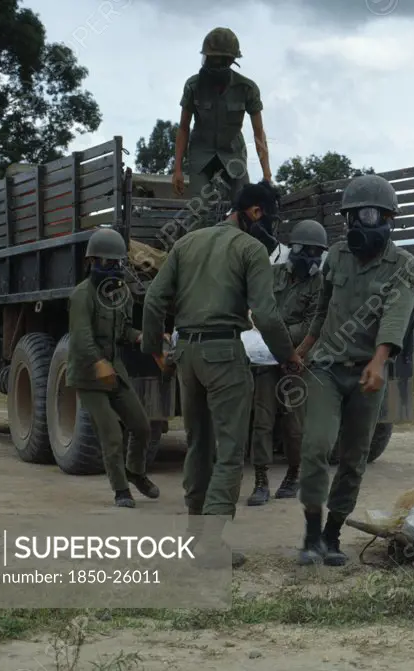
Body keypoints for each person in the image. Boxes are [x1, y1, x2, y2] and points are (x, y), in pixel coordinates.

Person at [141, 180, 300, 568]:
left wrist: (155, 351)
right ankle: (210, 544)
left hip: (187, 353)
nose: (272, 228)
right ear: (256, 212)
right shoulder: (250, 249)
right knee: (230, 451)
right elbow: (264, 314)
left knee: (198, 445)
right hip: (224, 352)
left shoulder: (186, 243)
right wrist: (288, 356)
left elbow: (153, 300)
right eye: (271, 218)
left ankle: (195, 539)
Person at [291, 175, 414, 566]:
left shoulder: (405, 265)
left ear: (387, 219)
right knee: (315, 447)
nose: (359, 225)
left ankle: (333, 535)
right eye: (353, 218)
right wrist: (304, 348)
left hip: (367, 372)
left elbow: (396, 317)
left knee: (354, 457)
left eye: (367, 215)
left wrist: (379, 362)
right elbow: (322, 308)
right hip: (326, 369)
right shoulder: (335, 257)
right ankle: (311, 534)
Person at [68, 227, 161, 508]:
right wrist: (98, 363)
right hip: (88, 376)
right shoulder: (81, 295)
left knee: (142, 426)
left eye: (115, 262)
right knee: (110, 434)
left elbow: (124, 331)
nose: (110, 267)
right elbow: (81, 338)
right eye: (104, 262)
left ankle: (135, 472)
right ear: (91, 262)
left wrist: (140, 336)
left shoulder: (121, 295)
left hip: (114, 372)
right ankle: (121, 490)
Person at [246, 219, 328, 506]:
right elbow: (256, 311)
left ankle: (294, 475)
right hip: (266, 357)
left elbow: (310, 325)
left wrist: (279, 338)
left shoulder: (320, 284)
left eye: (317, 254)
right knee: (262, 420)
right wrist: (274, 335)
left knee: (294, 426)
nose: (312, 259)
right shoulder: (273, 274)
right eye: (307, 251)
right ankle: (260, 481)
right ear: (294, 248)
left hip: (298, 359)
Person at [171, 27, 273, 230]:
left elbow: (258, 133)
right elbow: (183, 128)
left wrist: (267, 176)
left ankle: (238, 251)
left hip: (233, 152)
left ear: (230, 61)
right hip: (201, 153)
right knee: (199, 213)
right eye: (210, 59)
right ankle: (201, 252)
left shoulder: (247, 89)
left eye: (219, 60)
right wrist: (178, 169)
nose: (213, 65)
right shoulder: (193, 85)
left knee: (247, 207)